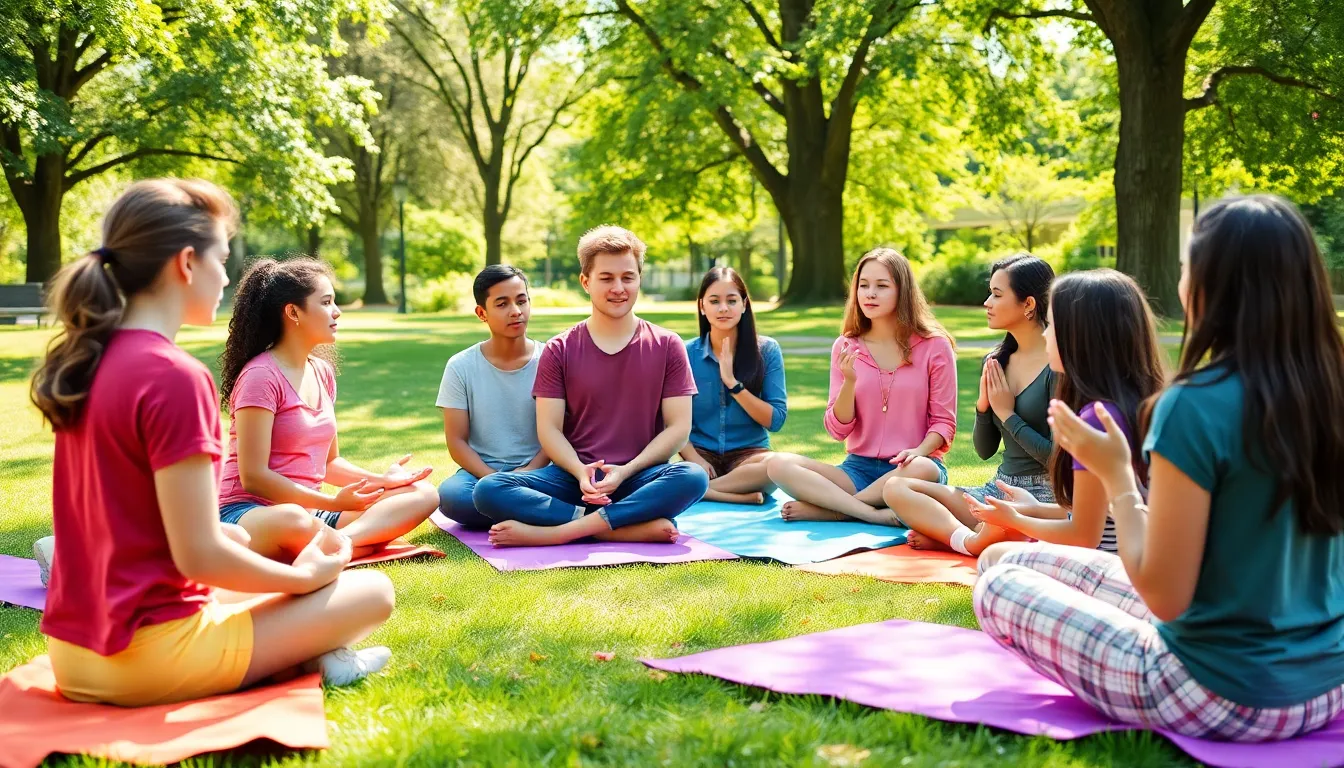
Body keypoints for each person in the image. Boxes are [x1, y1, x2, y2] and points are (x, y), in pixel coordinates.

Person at [975, 195, 1344, 742]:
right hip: (1326, 687)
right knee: (1018, 558)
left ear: (1206, 288)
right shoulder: (1330, 392)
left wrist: (1119, 476)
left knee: (998, 582)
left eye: (1185, 268)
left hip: (1220, 693)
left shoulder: (1193, 405)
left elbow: (1164, 597)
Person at [29, 179, 394, 707]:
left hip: (73, 653)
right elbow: (199, 554)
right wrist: (304, 578)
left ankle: (311, 651)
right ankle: (314, 652)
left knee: (245, 545)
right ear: (186, 264)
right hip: (146, 660)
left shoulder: (86, 362)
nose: (226, 276)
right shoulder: (174, 376)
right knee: (372, 593)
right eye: (222, 258)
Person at [472, 226, 709, 546]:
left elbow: (678, 427)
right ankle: (621, 527)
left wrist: (625, 472)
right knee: (489, 489)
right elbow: (549, 429)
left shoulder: (668, 345)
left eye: (628, 277)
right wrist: (581, 472)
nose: (618, 288)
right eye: (606, 278)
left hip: (640, 477)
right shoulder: (559, 349)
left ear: (640, 278)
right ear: (586, 282)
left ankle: (563, 531)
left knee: (692, 477)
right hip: (571, 478)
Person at [216, 258, 439, 560]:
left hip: (312, 515)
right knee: (292, 522)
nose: (337, 312)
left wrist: (382, 481)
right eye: (326, 302)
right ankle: (346, 543)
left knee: (422, 494)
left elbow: (330, 463)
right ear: (293, 311)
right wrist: (333, 504)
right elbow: (254, 475)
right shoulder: (260, 376)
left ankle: (338, 545)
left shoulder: (321, 372)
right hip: (249, 514)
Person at [966, 269, 1166, 556]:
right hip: (1134, 562)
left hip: (1111, 565)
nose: (1045, 333)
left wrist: (1017, 521)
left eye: (1054, 324)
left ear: (1082, 337)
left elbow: (1084, 535)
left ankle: (964, 543)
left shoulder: (1097, 421)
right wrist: (1033, 510)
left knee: (995, 559)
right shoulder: (1140, 404)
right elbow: (1097, 512)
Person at [765, 247, 957, 524]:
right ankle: (871, 513)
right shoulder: (845, 346)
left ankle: (835, 510)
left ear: (902, 291)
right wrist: (850, 382)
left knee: (924, 469)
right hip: (857, 470)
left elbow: (943, 424)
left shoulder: (935, 346)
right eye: (863, 285)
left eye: (882, 286)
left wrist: (918, 452)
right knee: (778, 465)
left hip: (909, 468)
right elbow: (837, 429)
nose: (870, 294)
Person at [881, 254, 1056, 555]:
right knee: (896, 488)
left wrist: (1007, 414)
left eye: (997, 295)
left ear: (1028, 304)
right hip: (997, 489)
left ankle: (956, 537)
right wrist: (983, 408)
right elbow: (985, 451)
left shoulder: (1058, 365)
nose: (987, 302)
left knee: (1013, 530)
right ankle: (970, 540)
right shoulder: (997, 360)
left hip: (1042, 500)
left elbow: (1058, 459)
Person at [435, 265, 548, 528]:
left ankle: (523, 510)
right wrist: (494, 481)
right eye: (502, 304)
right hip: (481, 476)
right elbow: (457, 441)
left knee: (573, 484)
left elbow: (560, 431)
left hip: (541, 473)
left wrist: (530, 471)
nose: (516, 311)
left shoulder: (550, 360)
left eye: (522, 300)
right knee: (452, 496)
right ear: (481, 313)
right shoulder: (460, 366)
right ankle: (551, 514)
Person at [679, 266, 787, 505]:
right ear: (701, 306)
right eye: (714, 301)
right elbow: (670, 421)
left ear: (744, 305)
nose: (724, 308)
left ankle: (704, 491)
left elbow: (776, 420)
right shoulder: (685, 353)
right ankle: (728, 493)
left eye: (731, 300)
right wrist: (693, 457)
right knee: (681, 472)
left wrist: (733, 384)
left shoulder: (767, 351)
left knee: (774, 468)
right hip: (700, 455)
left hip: (749, 455)